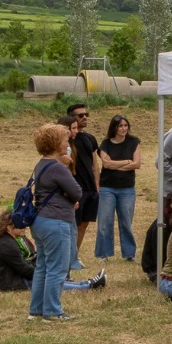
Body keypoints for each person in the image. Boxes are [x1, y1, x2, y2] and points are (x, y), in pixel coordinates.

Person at [27, 123, 82, 321]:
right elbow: (77, 191)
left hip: (40, 221)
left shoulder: (41, 164)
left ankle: (36, 309)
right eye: (65, 140)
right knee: (57, 268)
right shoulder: (58, 168)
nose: (68, 144)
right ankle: (52, 310)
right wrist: (66, 166)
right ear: (56, 144)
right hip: (56, 221)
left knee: (42, 266)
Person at [0, 209, 105, 293]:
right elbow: (23, 269)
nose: (24, 226)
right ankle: (88, 286)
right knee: (48, 283)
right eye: (20, 224)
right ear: (9, 228)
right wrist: (43, 274)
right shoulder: (6, 245)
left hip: (9, 279)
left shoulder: (6, 241)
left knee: (49, 280)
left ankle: (87, 284)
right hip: (7, 283)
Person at [95, 114, 140, 261]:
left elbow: (137, 164)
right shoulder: (105, 143)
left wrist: (115, 164)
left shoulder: (134, 142)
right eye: (120, 126)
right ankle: (104, 253)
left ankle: (129, 254)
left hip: (127, 188)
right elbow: (106, 164)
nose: (124, 128)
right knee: (105, 221)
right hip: (107, 187)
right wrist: (127, 161)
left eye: (125, 125)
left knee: (126, 221)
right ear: (114, 128)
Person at [65, 103, 99, 266]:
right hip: (74, 188)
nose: (85, 117)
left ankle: (75, 255)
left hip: (90, 188)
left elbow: (95, 164)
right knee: (73, 224)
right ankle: (68, 257)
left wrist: (97, 186)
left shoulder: (90, 138)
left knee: (84, 224)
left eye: (86, 114)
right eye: (80, 115)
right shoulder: (66, 141)